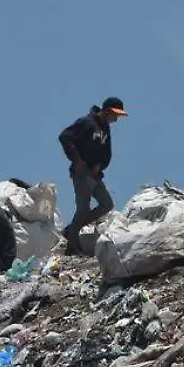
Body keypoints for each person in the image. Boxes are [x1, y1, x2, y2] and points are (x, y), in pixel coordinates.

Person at [59, 97, 127, 255]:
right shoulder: (87, 122)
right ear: (107, 110)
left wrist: (100, 165)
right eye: (115, 114)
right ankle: (72, 247)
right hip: (82, 174)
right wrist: (77, 160)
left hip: (95, 175)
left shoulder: (105, 129)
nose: (116, 119)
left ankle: (73, 229)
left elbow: (107, 153)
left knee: (106, 205)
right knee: (83, 209)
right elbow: (65, 137)